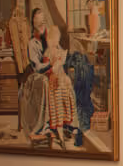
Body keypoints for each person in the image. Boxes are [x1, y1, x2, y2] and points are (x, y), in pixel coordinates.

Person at [42, 25, 80, 147]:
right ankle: (60, 134)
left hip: (61, 78)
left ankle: (66, 127)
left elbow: (63, 68)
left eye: (57, 39)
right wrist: (54, 66)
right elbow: (46, 70)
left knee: (67, 97)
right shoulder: (48, 52)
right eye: (54, 39)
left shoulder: (59, 49)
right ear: (49, 39)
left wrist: (62, 66)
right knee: (57, 103)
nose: (56, 41)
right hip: (53, 80)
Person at [18, 8, 52, 145]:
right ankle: (42, 128)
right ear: (34, 23)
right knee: (44, 81)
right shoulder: (32, 43)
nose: (42, 23)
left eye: (43, 20)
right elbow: (37, 67)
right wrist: (50, 64)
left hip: (50, 71)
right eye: (39, 21)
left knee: (64, 79)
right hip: (35, 76)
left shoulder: (50, 38)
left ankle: (64, 125)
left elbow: (58, 51)